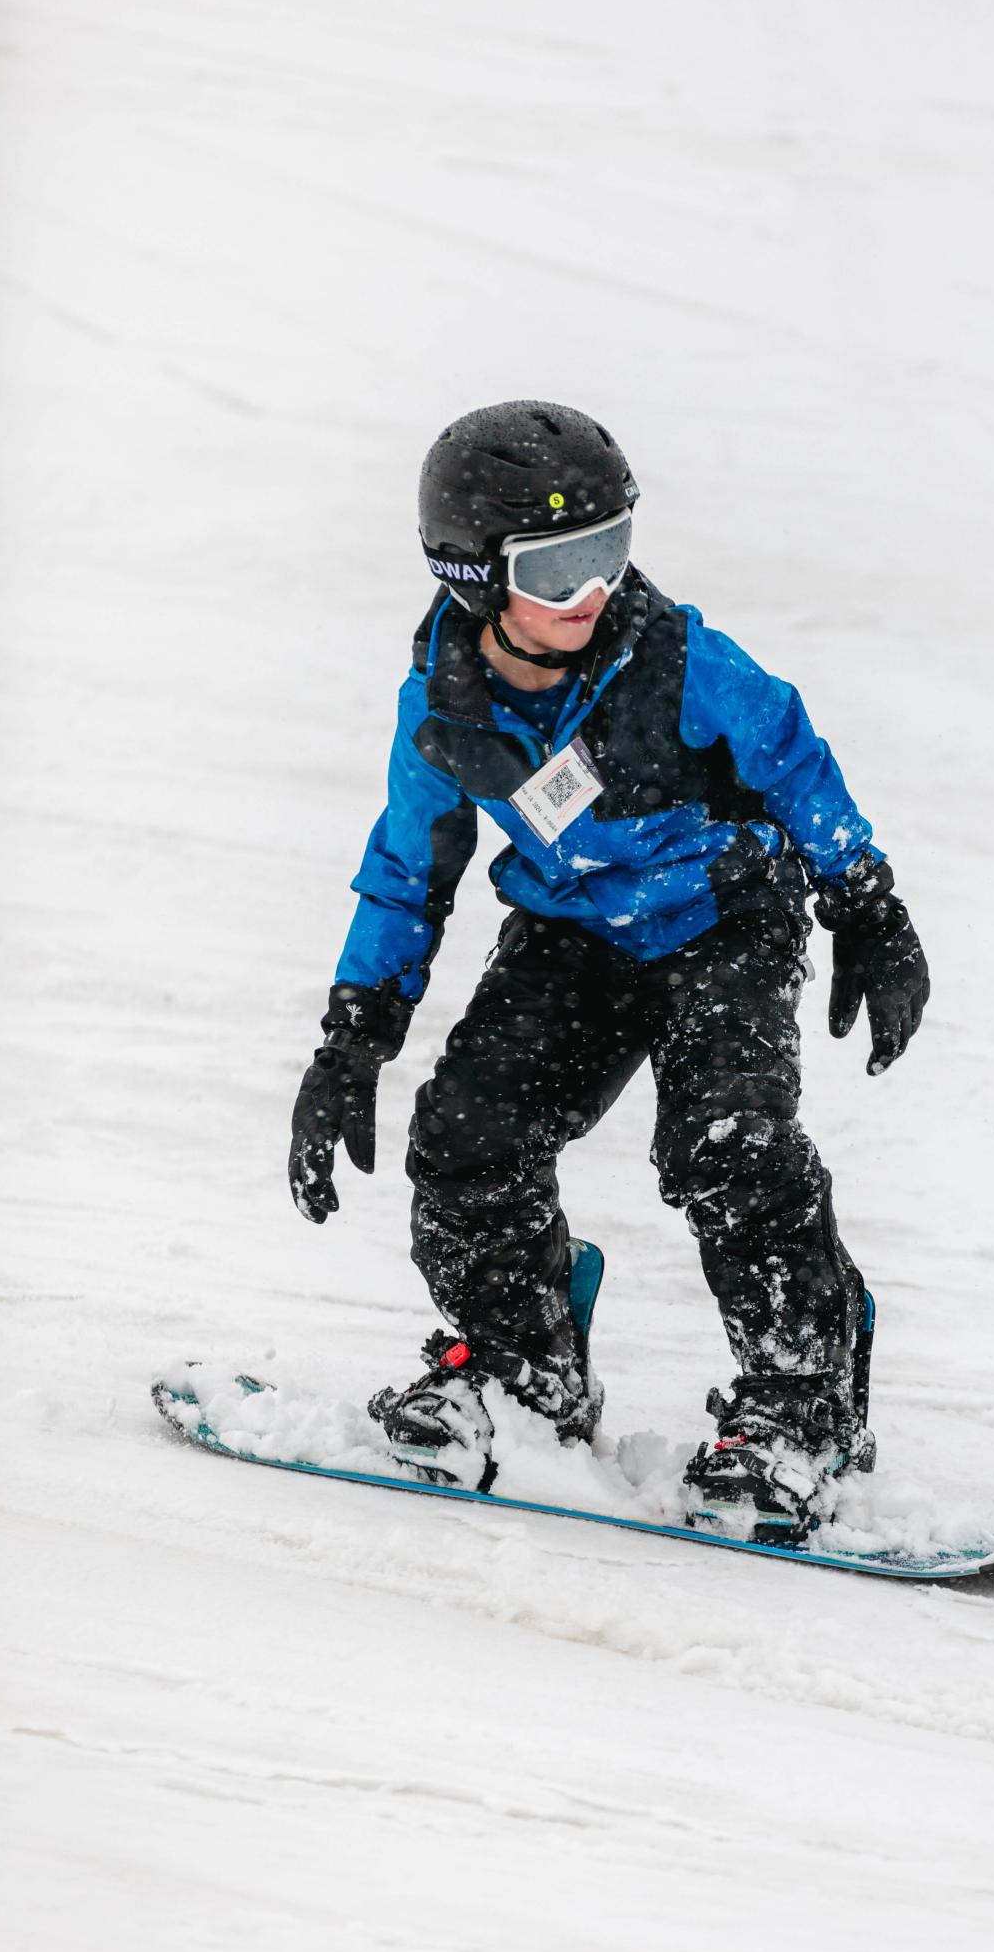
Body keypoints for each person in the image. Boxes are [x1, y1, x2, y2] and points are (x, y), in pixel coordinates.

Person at [288, 401, 929, 1542]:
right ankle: (525, 1373)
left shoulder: (677, 661)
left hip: (724, 917)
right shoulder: (443, 711)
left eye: (611, 549)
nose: (592, 590)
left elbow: (794, 761)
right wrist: (354, 1036)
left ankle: (803, 1406)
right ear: (476, 575)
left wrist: (867, 905)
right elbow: (405, 872)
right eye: (558, 566)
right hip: (575, 932)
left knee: (728, 1144)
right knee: (468, 1133)